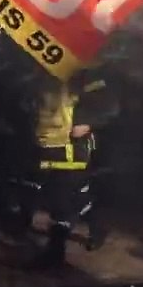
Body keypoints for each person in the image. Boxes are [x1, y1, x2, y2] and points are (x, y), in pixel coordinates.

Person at [26, 59, 118, 267]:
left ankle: (55, 253)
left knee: (61, 201)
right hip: (47, 144)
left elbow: (109, 105)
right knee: (70, 195)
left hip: (72, 148)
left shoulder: (83, 73)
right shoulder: (42, 71)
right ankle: (97, 224)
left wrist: (87, 122)